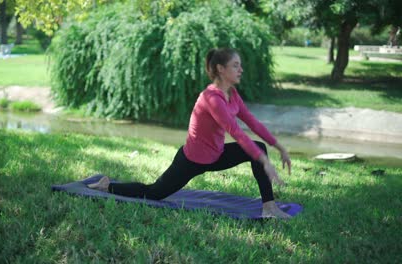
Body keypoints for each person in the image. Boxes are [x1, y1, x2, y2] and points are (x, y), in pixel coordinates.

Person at [88, 48, 293, 218]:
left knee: (259, 148)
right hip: (193, 159)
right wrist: (265, 162)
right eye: (235, 65)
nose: (241, 69)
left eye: (240, 65)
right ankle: (108, 186)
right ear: (221, 69)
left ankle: (269, 207)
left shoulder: (232, 94)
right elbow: (236, 131)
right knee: (154, 193)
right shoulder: (211, 98)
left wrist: (279, 147)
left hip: (217, 154)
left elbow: (253, 123)